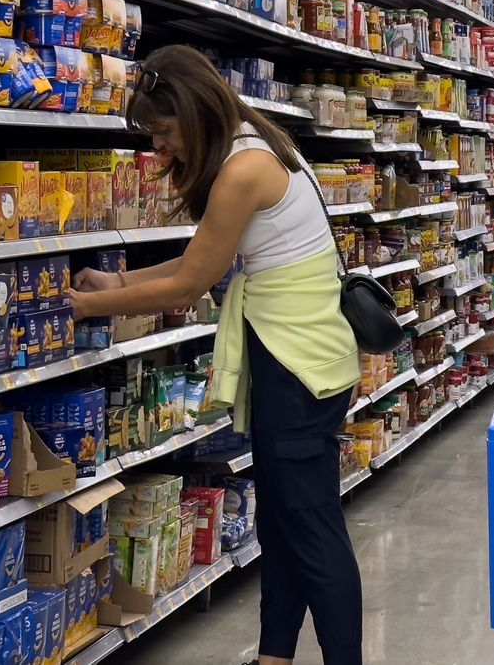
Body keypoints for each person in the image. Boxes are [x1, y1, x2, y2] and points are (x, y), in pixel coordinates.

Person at [69, 45, 363, 665]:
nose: (159, 149)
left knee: (311, 531)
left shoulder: (241, 170)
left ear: (196, 112)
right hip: (298, 360)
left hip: (298, 368)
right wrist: (118, 284)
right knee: (283, 526)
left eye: (164, 131)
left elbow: (189, 285)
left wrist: (92, 308)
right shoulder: (254, 140)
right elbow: (204, 257)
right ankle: (274, 655)